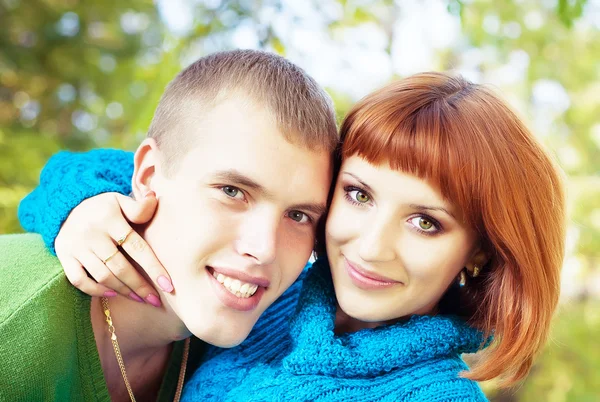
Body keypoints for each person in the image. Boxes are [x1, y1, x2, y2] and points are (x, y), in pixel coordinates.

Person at [17, 73, 565, 401]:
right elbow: (169, 173)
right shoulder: (275, 294)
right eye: (359, 195)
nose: (371, 246)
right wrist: (84, 209)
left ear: (478, 251)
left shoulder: (432, 393)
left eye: (426, 222)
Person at [0, 49, 338, 401]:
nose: (264, 248)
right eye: (232, 191)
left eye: (299, 215)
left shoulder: (268, 328)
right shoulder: (12, 331)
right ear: (147, 176)